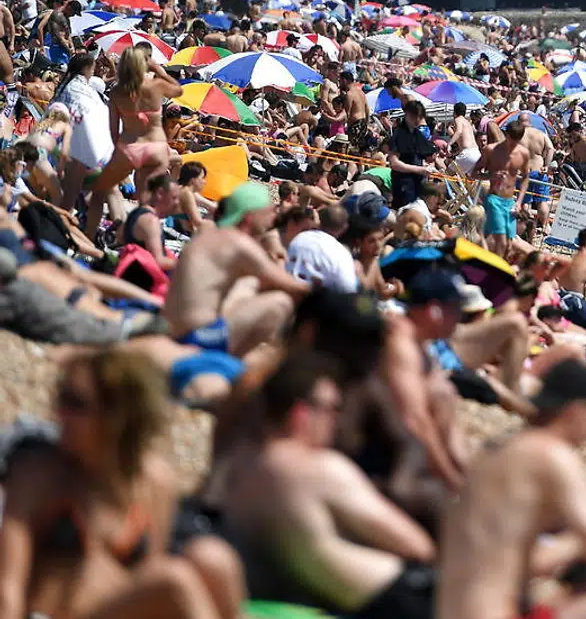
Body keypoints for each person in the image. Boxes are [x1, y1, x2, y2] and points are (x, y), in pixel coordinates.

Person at [0, 349, 243, 619]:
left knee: (213, 559)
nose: (59, 413)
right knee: (174, 579)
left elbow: (145, 577)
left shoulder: (156, 482)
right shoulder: (38, 475)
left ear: (118, 414)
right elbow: (8, 587)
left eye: (75, 403)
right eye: (61, 397)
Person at [437, 359, 586, 619]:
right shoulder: (553, 456)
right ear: (577, 411)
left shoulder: (496, 451)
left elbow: (523, 562)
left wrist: (578, 541)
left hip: (449, 609)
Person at [220, 352, 438, 619]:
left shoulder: (237, 466)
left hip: (302, 597)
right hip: (392, 598)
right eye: (332, 408)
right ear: (301, 413)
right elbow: (417, 546)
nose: (336, 420)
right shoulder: (318, 467)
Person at [163, 181, 312, 357]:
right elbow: (290, 286)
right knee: (280, 302)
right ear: (249, 217)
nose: (272, 218)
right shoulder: (239, 243)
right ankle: (234, 361)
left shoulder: (210, 233)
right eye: (268, 212)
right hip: (197, 336)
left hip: (174, 329)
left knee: (250, 283)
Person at [84, 46, 183, 238]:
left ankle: (91, 236)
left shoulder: (117, 93)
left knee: (99, 192)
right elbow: (178, 91)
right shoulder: (156, 86)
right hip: (156, 148)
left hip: (130, 147)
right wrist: (159, 71)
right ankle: (144, 237)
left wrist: (117, 155)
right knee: (147, 199)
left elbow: (113, 131)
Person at [480, 117, 530, 256]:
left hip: (510, 201)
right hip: (494, 198)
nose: (514, 144)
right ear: (506, 135)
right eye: (512, 140)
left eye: (517, 141)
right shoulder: (491, 150)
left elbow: (526, 177)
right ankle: (496, 274)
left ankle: (488, 265)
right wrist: (492, 176)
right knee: (501, 241)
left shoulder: (523, 153)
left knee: (508, 244)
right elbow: (473, 174)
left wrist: (519, 201)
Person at [286, 202, 358, 292]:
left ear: (319, 220)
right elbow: (348, 289)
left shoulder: (298, 238)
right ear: (344, 228)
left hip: (288, 294)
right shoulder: (341, 253)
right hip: (315, 302)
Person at [121, 172, 181, 272]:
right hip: (145, 282)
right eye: (174, 198)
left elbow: (120, 236)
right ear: (160, 193)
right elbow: (158, 261)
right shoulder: (151, 221)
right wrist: (189, 264)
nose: (177, 203)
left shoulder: (136, 213)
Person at [387, 99, 437, 211]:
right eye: (414, 116)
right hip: (403, 186)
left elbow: (428, 155)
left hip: (416, 186)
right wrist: (420, 170)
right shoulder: (399, 135)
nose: (417, 120)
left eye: (419, 116)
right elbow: (394, 163)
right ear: (407, 115)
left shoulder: (417, 134)